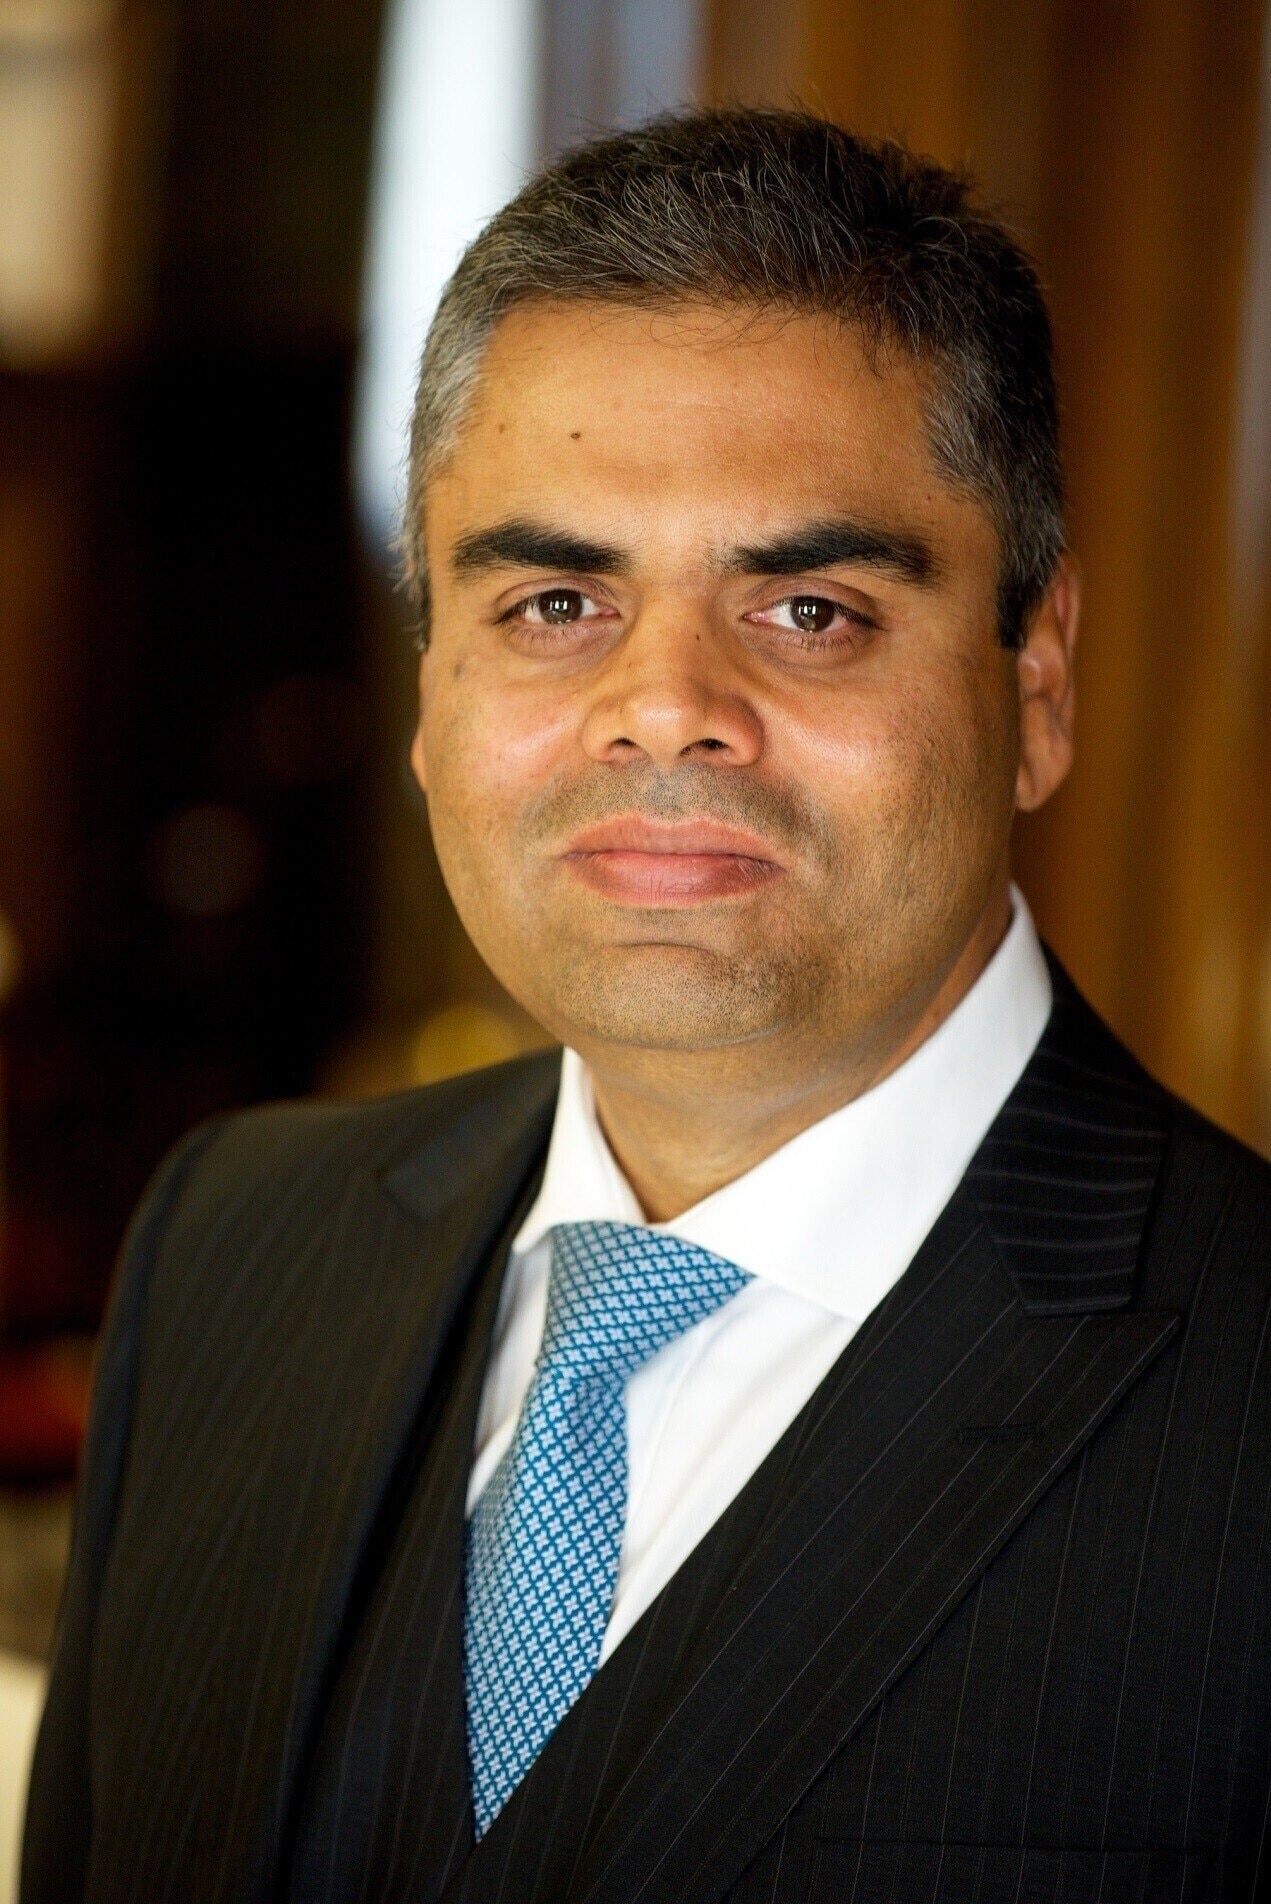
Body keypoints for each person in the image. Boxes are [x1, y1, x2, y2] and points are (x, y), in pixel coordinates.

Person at [22, 110, 1271, 1904]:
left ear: (1039, 680)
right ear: (431, 694)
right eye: (553, 600)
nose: (663, 707)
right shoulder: (231, 1247)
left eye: (812, 610)